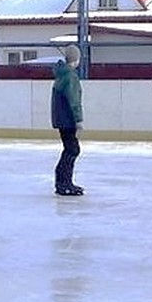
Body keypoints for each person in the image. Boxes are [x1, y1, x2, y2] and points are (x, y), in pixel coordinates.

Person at [50, 43, 84, 196]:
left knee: (70, 149)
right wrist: (78, 119)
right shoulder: (70, 76)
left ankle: (64, 182)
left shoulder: (62, 74)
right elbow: (74, 99)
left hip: (62, 118)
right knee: (72, 149)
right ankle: (63, 183)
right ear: (76, 59)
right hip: (68, 119)